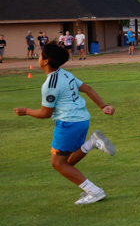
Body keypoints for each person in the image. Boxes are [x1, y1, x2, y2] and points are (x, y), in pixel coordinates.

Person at [13, 42, 117, 204]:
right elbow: (87, 88)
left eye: (40, 55)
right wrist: (103, 106)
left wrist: (25, 111)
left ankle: (94, 191)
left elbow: (45, 113)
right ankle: (92, 143)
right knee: (67, 162)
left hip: (68, 124)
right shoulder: (66, 74)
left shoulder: (50, 85)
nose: (39, 58)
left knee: (57, 163)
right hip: (82, 121)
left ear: (46, 61)